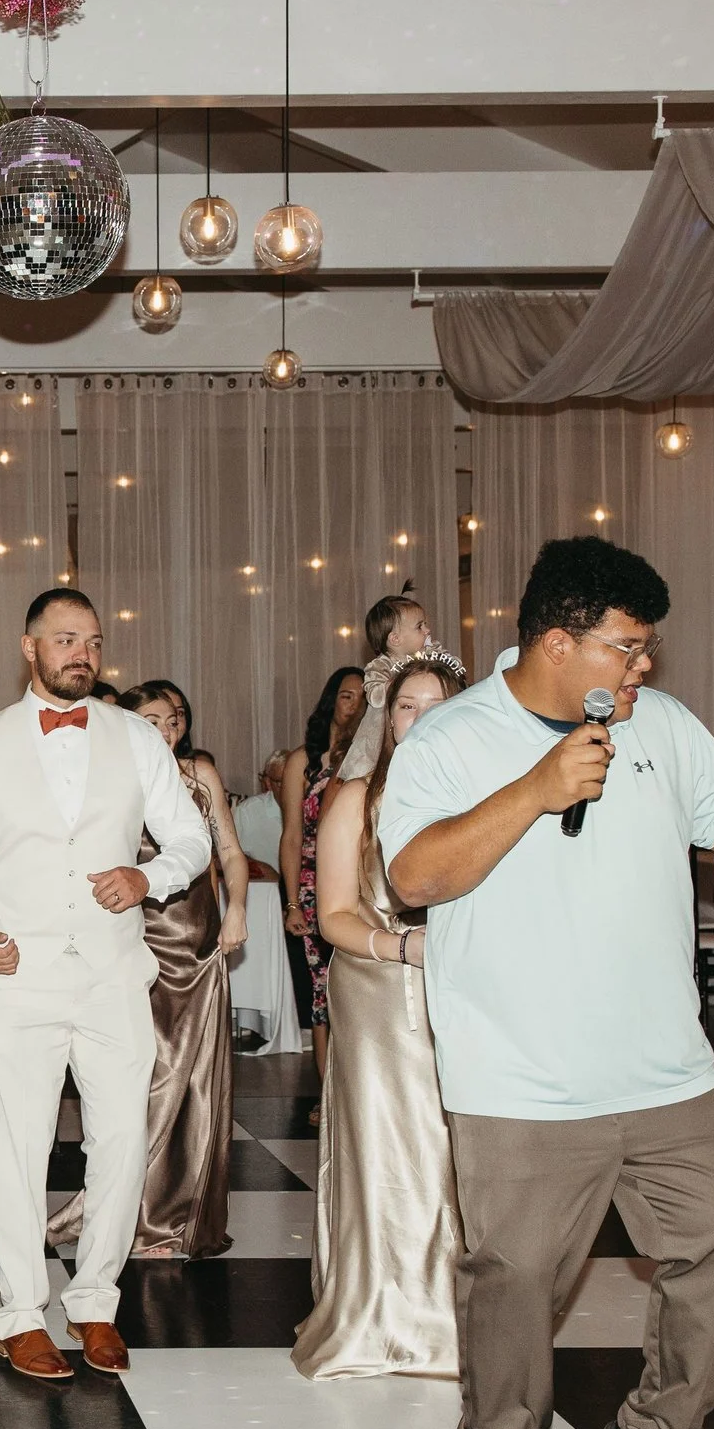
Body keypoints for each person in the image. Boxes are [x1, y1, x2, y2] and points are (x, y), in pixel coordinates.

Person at [381, 535, 714, 1429]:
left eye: (646, 647)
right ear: (557, 641)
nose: (642, 665)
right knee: (516, 1276)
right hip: (520, 1073)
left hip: (665, 1064)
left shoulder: (658, 722)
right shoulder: (450, 739)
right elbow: (413, 878)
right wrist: (533, 787)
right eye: (626, 645)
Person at [0, 589, 213, 1382]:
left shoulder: (135, 738)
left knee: (121, 1140)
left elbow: (191, 835)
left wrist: (147, 874)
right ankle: (20, 1312)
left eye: (91, 639)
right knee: (17, 1146)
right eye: (63, 639)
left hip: (116, 973)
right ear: (29, 647)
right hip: (19, 975)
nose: (80, 652)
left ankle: (94, 1301)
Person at [294, 654, 466, 1380]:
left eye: (437, 704)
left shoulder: (488, 801)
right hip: (376, 989)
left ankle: (459, 1311)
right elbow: (330, 913)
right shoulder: (356, 796)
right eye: (405, 706)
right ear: (384, 718)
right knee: (392, 1145)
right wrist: (399, 945)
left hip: (465, 994)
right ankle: (382, 1312)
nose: (420, 718)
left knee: (464, 1150)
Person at [47, 681, 249, 1260]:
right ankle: (112, 1205)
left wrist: (238, 907)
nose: (167, 731)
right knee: (143, 1078)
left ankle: (174, 1218)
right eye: (154, 720)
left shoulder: (199, 772)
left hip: (199, 938)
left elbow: (227, 851)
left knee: (193, 1083)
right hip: (140, 936)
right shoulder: (113, 775)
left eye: (176, 719)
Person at [280, 666, 366, 1075]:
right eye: (347, 695)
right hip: (316, 884)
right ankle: (324, 1091)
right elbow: (292, 836)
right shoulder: (304, 761)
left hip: (362, 884)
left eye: (363, 697)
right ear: (331, 700)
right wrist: (293, 902)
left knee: (359, 985)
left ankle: (357, 1090)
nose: (354, 704)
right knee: (322, 989)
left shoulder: (369, 758)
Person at [336, 591, 458, 784]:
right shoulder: (382, 665)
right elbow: (374, 695)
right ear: (395, 639)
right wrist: (393, 682)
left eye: (425, 624)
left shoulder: (430, 654)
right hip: (386, 732)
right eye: (420, 626)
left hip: (432, 730)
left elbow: (455, 671)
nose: (427, 630)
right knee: (381, 776)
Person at [236, 749, 288, 880]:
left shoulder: (314, 807)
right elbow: (228, 856)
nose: (291, 787)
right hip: (263, 892)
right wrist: (262, 869)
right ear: (268, 783)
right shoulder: (248, 812)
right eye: (282, 782)